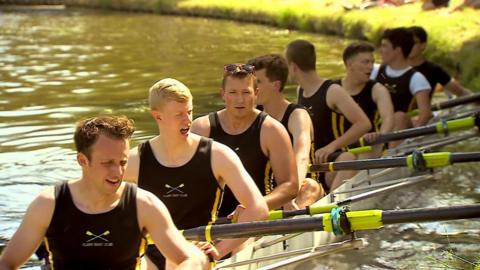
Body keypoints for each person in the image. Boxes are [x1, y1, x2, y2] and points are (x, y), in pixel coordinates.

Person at [0, 115, 208, 270]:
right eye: (107, 163)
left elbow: (188, 259)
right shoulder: (47, 205)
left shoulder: (145, 205)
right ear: (83, 160)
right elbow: (7, 264)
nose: (117, 172)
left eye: (122, 162)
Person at [124, 78, 268, 269]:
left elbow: (258, 209)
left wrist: (220, 250)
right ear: (158, 116)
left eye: (190, 112)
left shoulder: (218, 155)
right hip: (152, 256)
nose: (188, 120)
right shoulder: (135, 160)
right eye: (179, 115)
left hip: (200, 253)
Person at [191, 64, 299, 216]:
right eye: (233, 92)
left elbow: (290, 186)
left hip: (257, 219)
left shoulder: (272, 130)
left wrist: (255, 207)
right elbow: (189, 182)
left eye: (246, 93)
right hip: (212, 221)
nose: (239, 99)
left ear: (256, 93)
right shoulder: (201, 128)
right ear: (223, 94)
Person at [285, 39, 372, 192]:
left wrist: (332, 146)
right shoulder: (301, 91)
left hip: (334, 163)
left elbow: (363, 123)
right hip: (311, 164)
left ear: (293, 67)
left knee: (348, 158)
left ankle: (330, 205)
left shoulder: (332, 91)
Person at [246, 54, 323, 209]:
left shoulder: (297, 115)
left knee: (310, 186)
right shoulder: (252, 115)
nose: (251, 88)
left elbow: (301, 157)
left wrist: (291, 192)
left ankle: (294, 221)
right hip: (270, 190)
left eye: (258, 82)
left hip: (301, 187)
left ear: (276, 85)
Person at [370, 27, 432, 145]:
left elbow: (425, 114)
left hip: (398, 130)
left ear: (397, 50)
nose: (380, 50)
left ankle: (390, 153)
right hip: (373, 128)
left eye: (384, 46)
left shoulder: (416, 78)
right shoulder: (375, 71)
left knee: (399, 116)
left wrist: (414, 138)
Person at [333, 42, 395, 158]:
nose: (371, 67)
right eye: (366, 62)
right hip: (338, 150)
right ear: (349, 64)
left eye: (372, 62)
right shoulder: (332, 89)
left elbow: (388, 118)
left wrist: (380, 137)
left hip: (368, 148)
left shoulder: (378, 90)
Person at [408, 26, 472, 97]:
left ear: (423, 45)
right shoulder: (394, 68)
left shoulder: (434, 70)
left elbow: (461, 92)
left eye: (413, 43)